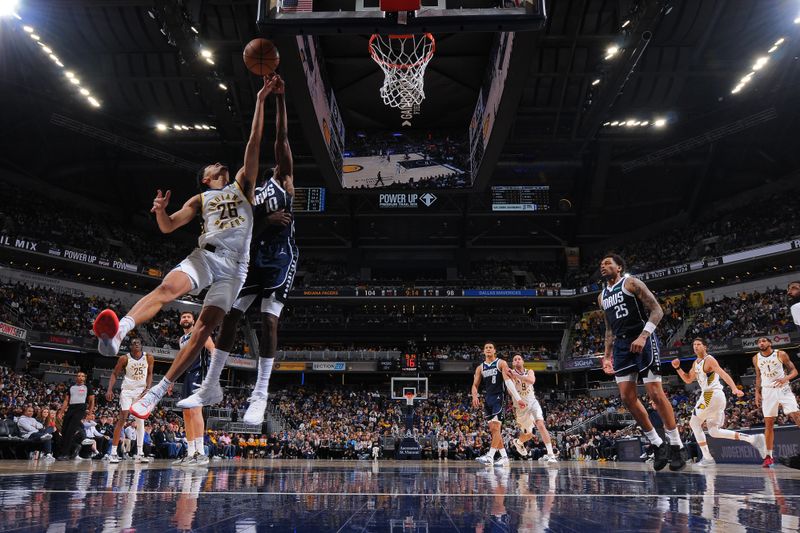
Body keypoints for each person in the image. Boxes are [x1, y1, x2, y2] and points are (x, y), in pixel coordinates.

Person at [94, 76, 277, 419]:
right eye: (210, 168)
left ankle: (158, 390)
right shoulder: (200, 197)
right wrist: (161, 212)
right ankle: (119, 331)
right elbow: (169, 227)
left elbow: (254, 140)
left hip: (235, 267)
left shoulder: (243, 186)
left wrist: (261, 99)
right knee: (166, 287)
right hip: (206, 256)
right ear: (206, 179)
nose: (216, 166)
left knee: (203, 329)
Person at [179, 76, 295, 426]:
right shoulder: (246, 192)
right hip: (251, 257)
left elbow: (281, 138)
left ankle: (260, 393)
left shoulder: (285, 180)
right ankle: (212, 382)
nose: (274, 161)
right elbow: (244, 229)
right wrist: (266, 219)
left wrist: (280, 99)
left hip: (280, 258)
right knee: (231, 317)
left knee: (269, 322)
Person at [598, 253, 686, 471]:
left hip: (642, 339)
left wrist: (644, 336)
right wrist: (607, 354)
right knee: (627, 398)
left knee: (655, 393)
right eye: (601, 264)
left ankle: (676, 444)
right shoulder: (601, 296)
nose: (603, 266)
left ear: (619, 267)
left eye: (608, 263)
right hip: (621, 346)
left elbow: (657, 310)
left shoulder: (632, 283)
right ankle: (657, 444)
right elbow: (609, 328)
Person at [672, 337, 767, 467]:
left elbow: (723, 374)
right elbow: (688, 380)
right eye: (694, 344)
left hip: (711, 394)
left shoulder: (709, 359)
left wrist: (734, 388)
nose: (695, 346)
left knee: (694, 422)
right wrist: (678, 368)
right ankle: (753, 439)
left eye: (699, 344)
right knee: (713, 431)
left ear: (705, 346)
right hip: (713, 397)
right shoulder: (696, 363)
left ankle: (708, 458)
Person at [471, 341, 527, 467]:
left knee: (496, 427)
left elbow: (508, 382)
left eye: (491, 347)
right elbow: (475, 385)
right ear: (483, 351)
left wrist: (517, 399)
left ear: (494, 350)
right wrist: (475, 395)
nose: (488, 349)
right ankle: (505, 458)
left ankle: (490, 456)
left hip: (498, 397)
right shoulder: (480, 367)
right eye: (486, 348)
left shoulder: (501, 363)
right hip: (487, 398)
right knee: (493, 430)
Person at [173, 311, 216, 467]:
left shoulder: (200, 332)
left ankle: (201, 453)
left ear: (193, 321)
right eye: (183, 317)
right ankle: (190, 453)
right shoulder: (181, 339)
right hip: (188, 375)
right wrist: (171, 379)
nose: (185, 319)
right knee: (186, 412)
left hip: (200, 373)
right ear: (180, 321)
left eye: (188, 317)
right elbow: (181, 361)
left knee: (196, 410)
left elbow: (212, 349)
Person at [754, 336, 800, 468]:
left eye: (763, 341)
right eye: (759, 342)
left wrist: (785, 379)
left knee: (796, 415)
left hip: (782, 388)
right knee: (768, 424)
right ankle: (768, 457)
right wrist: (757, 392)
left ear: (769, 343)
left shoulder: (781, 354)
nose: (761, 343)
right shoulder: (756, 358)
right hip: (767, 391)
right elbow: (758, 376)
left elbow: (794, 371)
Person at [106, 338, 154, 463]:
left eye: (138, 342)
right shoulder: (124, 358)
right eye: (133, 343)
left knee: (141, 421)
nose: (136, 344)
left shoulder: (149, 357)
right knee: (123, 418)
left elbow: (149, 374)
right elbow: (114, 374)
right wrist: (110, 389)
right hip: (127, 391)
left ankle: (140, 453)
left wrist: (148, 388)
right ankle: (113, 453)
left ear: (141, 345)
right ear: (130, 347)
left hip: (141, 392)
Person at [504, 354, 557, 463]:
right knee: (528, 435)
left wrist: (517, 376)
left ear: (523, 361)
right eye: (515, 359)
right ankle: (518, 442)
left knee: (541, 425)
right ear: (513, 363)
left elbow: (531, 381)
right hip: (520, 407)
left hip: (533, 403)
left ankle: (551, 454)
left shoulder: (529, 371)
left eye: (519, 359)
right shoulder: (509, 374)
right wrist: (513, 377)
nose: (517, 360)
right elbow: (510, 392)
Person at [56, 372, 95, 460]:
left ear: (85, 378)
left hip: (81, 408)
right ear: (75, 377)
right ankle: (69, 450)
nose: (80, 377)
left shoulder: (88, 386)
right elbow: (66, 400)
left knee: (71, 430)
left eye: (82, 376)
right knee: (64, 430)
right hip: (71, 408)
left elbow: (92, 401)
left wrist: (90, 413)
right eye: (78, 376)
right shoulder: (71, 387)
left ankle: (65, 454)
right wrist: (61, 412)